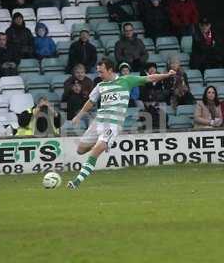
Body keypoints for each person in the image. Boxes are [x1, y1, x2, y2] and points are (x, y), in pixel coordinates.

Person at [67, 58, 176, 189]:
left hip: (112, 126)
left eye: (101, 72)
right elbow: (91, 102)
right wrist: (79, 116)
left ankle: (76, 182)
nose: (99, 75)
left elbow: (150, 78)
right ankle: (103, 145)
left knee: (95, 151)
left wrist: (167, 75)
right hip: (98, 122)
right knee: (80, 150)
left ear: (110, 70)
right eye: (98, 72)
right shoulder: (100, 86)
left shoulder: (126, 81)